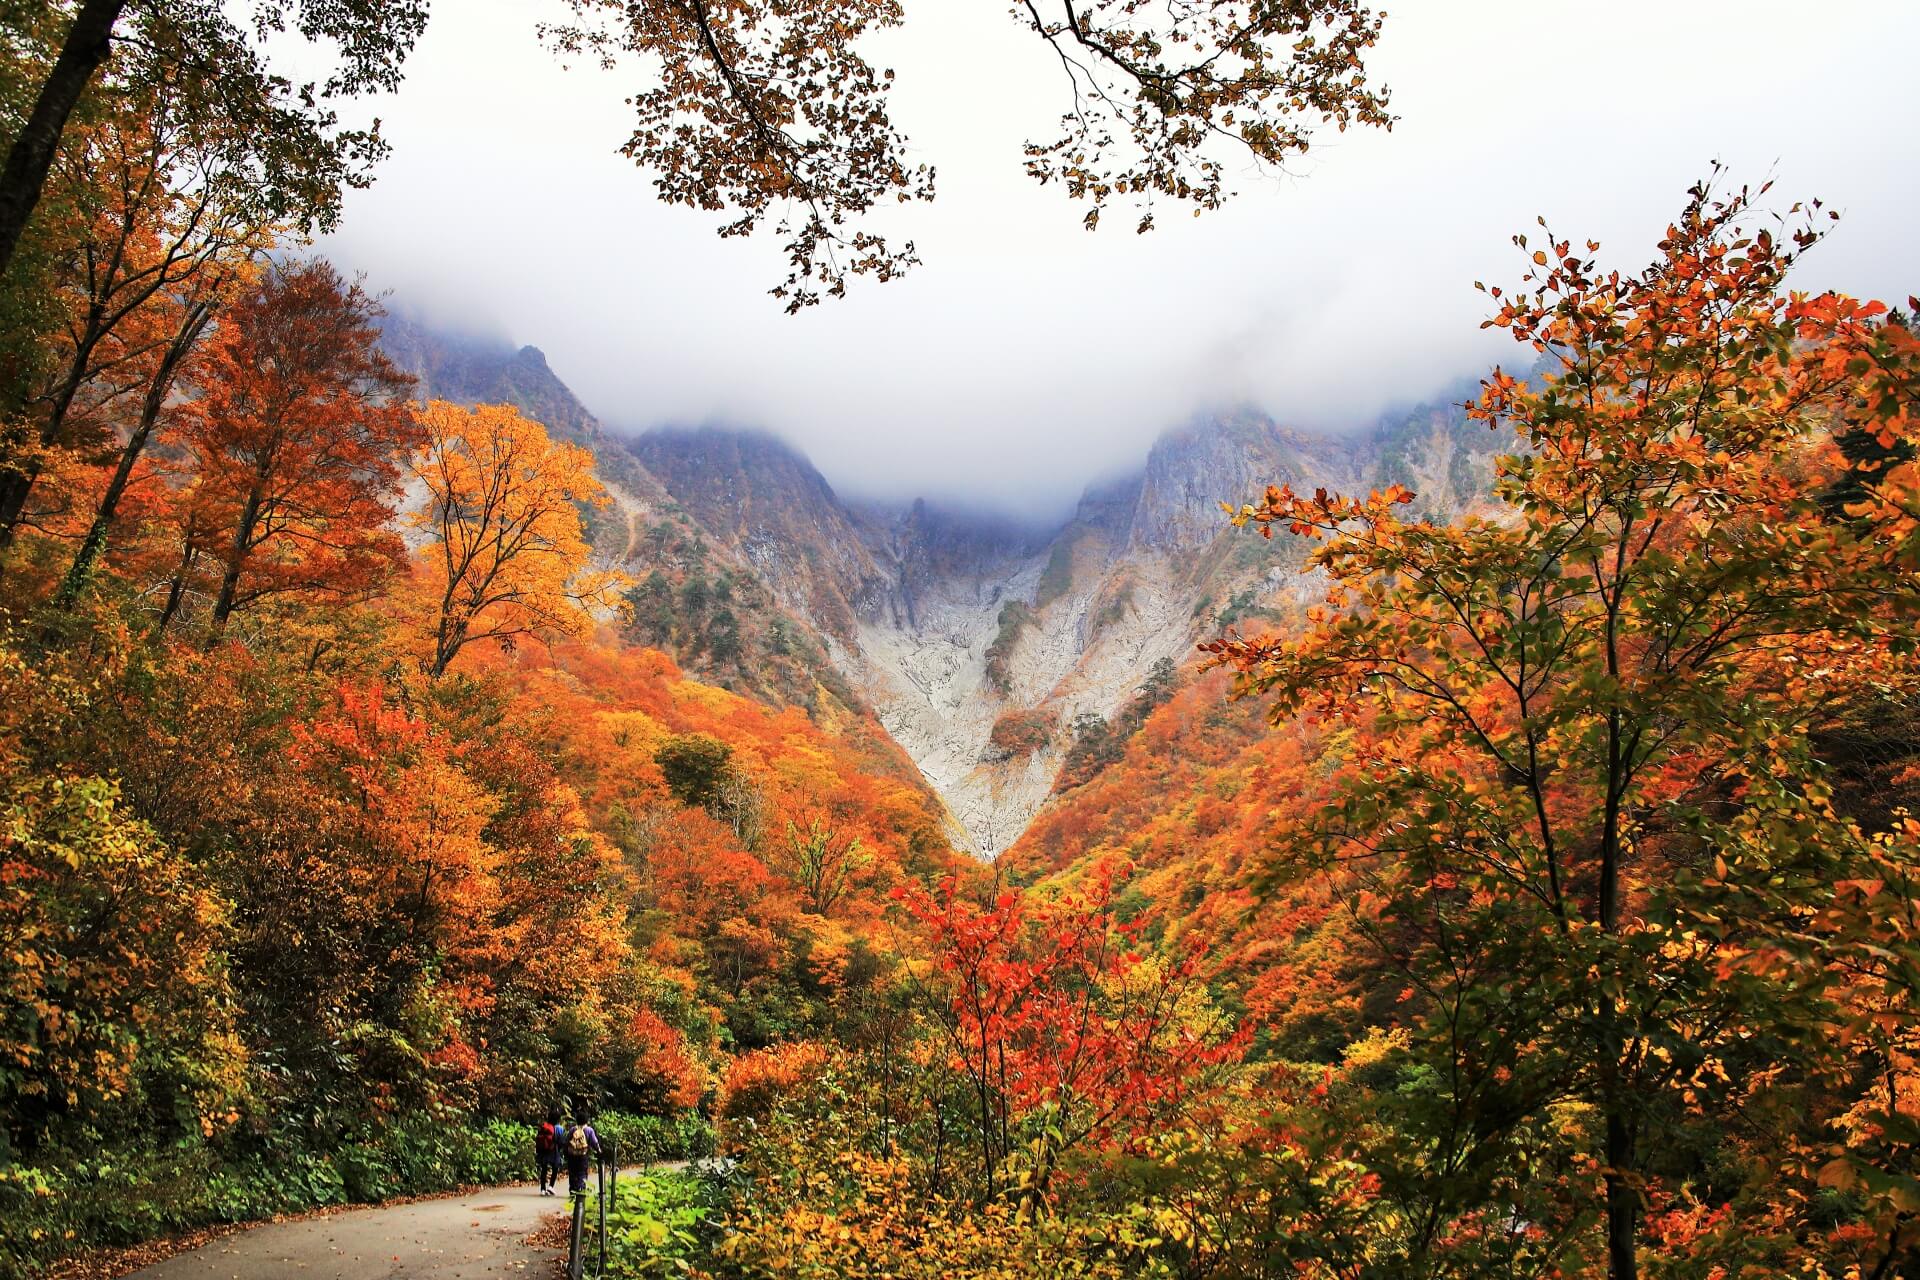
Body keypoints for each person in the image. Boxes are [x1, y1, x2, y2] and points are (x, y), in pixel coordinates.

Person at [562, 1112, 600, 1197]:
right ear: (586, 1120)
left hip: (572, 1156)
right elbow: (595, 1142)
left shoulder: (572, 1130)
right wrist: (599, 1151)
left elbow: (567, 1141)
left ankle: (572, 1191)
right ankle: (581, 1190)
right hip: (583, 1155)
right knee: (582, 1173)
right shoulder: (589, 1130)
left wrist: (566, 1153)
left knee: (572, 1173)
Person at [536, 1105, 564, 1196]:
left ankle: (542, 1189)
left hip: (544, 1150)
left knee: (544, 1169)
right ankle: (551, 1187)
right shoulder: (559, 1128)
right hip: (554, 1150)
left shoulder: (544, 1126)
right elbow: (561, 1141)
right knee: (555, 1168)